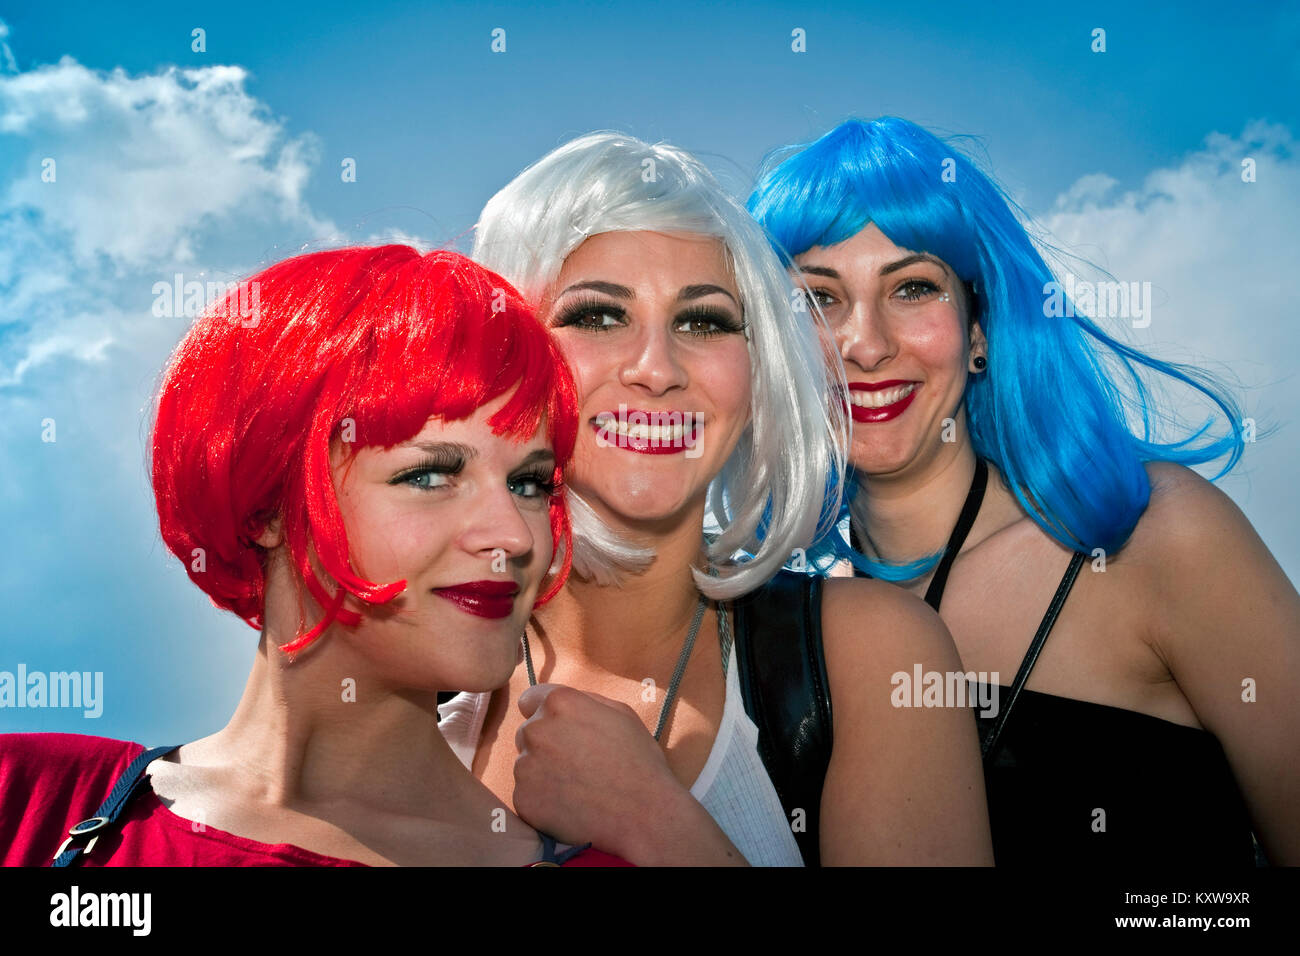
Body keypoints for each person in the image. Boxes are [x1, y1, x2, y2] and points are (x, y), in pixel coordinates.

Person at [747, 116, 1300, 865]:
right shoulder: (789, 631)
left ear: (981, 328)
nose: (866, 345)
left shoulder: (1156, 538)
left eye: (913, 288)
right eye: (818, 300)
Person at [0, 246, 629, 867]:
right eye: (430, 475)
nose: (515, 537)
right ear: (269, 507)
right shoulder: (26, 800)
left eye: (528, 484)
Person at [466, 131, 994, 865]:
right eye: (596, 315)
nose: (657, 368)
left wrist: (656, 822)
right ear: (509, 353)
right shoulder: (412, 668)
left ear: (757, 375)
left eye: (704, 321)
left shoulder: (871, 656)